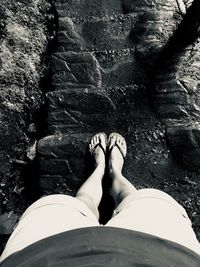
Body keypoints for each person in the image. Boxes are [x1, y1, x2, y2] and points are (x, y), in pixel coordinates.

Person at [1, 132, 200, 266]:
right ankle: (111, 171)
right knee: (141, 201)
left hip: (44, 254)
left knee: (77, 204)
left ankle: (102, 169)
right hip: (163, 254)